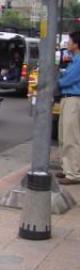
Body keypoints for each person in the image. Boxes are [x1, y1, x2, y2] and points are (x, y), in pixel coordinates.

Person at [57, 31, 80, 185]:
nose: (68, 44)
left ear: (76, 44)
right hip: (67, 99)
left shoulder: (79, 61)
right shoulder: (74, 60)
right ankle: (67, 169)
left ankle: (73, 173)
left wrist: (58, 78)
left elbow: (66, 81)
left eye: (70, 41)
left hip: (74, 99)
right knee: (64, 136)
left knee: (71, 137)